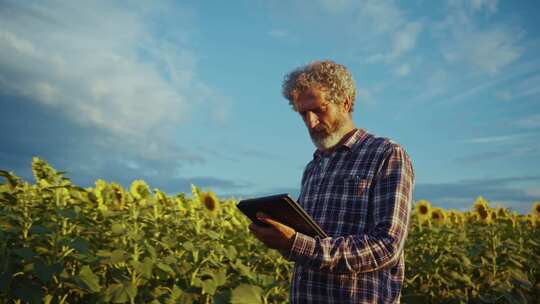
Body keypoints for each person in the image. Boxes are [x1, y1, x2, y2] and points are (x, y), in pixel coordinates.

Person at [248, 60, 415, 303]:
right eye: (303, 113)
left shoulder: (385, 154)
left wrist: (296, 243)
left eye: (318, 110)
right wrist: (281, 239)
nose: (311, 122)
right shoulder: (313, 167)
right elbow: (307, 243)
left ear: (345, 103)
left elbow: (386, 246)